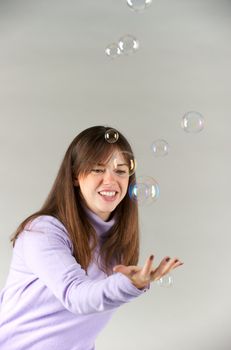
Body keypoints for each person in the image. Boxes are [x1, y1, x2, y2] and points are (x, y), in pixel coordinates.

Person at [0, 125, 183, 350]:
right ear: (76, 176)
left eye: (121, 170)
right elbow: (76, 296)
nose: (110, 180)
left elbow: (80, 329)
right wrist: (129, 284)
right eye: (98, 169)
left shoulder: (117, 244)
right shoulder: (42, 232)